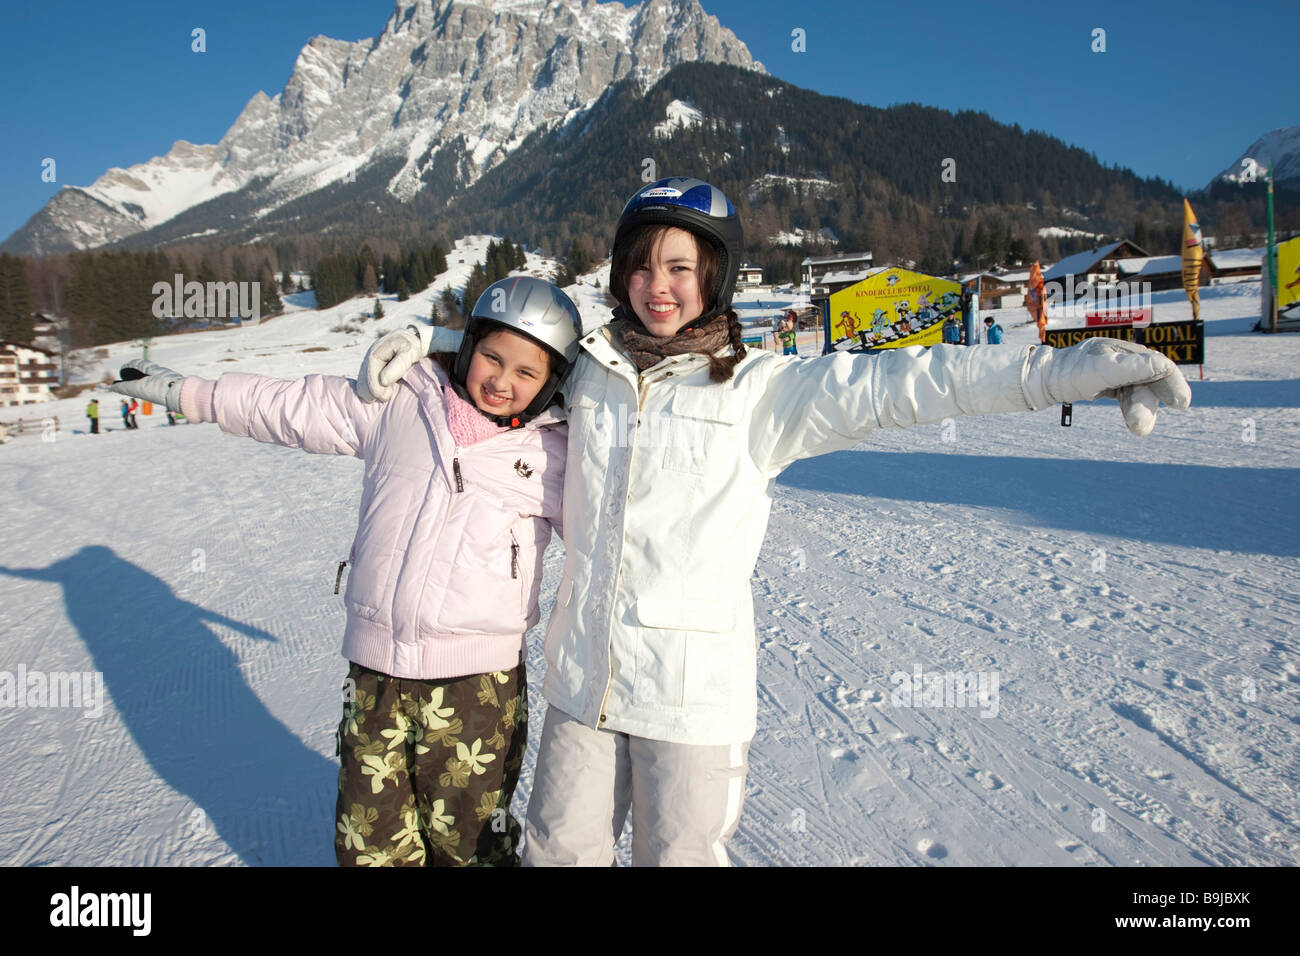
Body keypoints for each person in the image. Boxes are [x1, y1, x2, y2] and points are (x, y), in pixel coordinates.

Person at [359, 177, 1192, 867]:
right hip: (584, 685)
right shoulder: (592, 374)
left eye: (681, 266)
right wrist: (429, 339)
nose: (660, 284)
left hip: (691, 700)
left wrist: (1062, 371)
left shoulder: (762, 391)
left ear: (716, 275)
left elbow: (908, 383)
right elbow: (512, 350)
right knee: (556, 854)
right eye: (643, 265)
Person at [111, 277, 582, 867]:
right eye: (491, 356)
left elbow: (613, 526)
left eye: (525, 373)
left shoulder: (556, 454)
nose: (501, 381)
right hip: (376, 672)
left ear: (552, 383)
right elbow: (292, 407)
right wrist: (198, 395)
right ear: (468, 346)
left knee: (470, 846)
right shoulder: (401, 401)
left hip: (480, 684)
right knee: (371, 841)